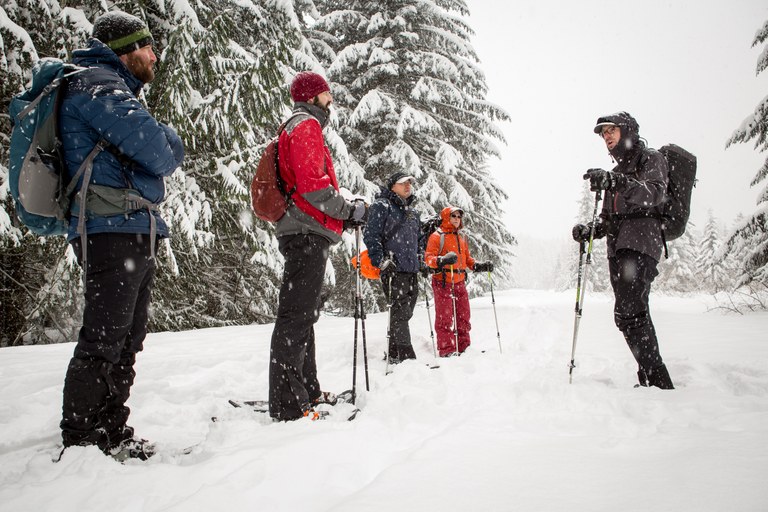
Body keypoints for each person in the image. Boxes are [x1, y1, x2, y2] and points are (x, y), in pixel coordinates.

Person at [58, 11, 185, 460]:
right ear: (126, 50)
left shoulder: (110, 88)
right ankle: (81, 438)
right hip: (111, 229)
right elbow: (162, 152)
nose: (154, 55)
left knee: (127, 336)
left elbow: (155, 149)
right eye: (147, 47)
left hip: (128, 228)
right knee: (106, 336)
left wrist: (158, 139)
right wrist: (166, 137)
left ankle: (110, 429)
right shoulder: (97, 86)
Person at [269, 71, 367, 421]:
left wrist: (343, 213)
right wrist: (349, 209)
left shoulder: (302, 126)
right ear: (312, 96)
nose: (331, 101)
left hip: (305, 231)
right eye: (327, 94)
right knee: (296, 316)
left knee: (304, 314)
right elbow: (314, 188)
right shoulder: (305, 126)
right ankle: (287, 403)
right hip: (305, 231)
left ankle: (305, 389)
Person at [572, 111, 674, 389]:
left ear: (627, 131)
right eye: (603, 133)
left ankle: (659, 379)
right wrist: (590, 230)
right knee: (625, 313)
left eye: (611, 130)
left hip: (641, 240)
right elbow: (608, 220)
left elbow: (654, 194)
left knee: (631, 309)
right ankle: (649, 373)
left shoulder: (651, 159)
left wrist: (618, 183)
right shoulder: (615, 174)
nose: (606, 136)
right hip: (617, 247)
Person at [363, 172, 424, 364]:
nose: (408, 186)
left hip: (411, 268)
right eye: (403, 183)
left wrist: (420, 259)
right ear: (392, 186)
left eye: (410, 183)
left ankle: (394, 352)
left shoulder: (413, 213)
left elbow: (420, 240)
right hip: (393, 268)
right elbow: (371, 235)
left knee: (407, 311)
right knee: (400, 311)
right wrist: (381, 262)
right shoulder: (381, 206)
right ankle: (406, 356)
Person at [424, 207, 493, 357]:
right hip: (443, 282)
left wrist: (479, 266)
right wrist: (441, 260)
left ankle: (464, 347)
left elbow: (467, 260)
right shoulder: (437, 237)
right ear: (445, 218)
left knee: (463, 316)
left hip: (460, 282)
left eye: (458, 216)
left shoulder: (461, 238)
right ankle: (446, 349)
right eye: (453, 216)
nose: (456, 219)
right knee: (445, 318)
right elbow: (428, 258)